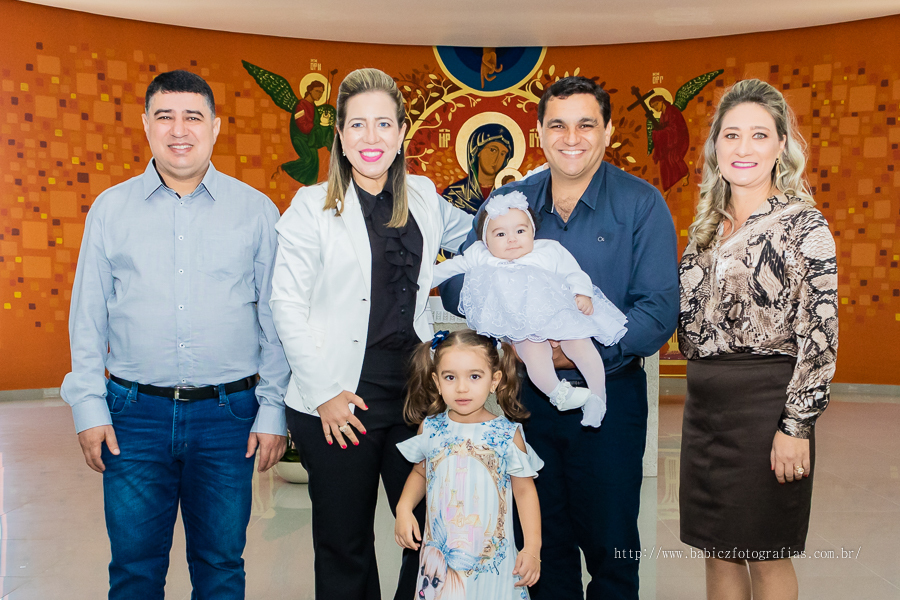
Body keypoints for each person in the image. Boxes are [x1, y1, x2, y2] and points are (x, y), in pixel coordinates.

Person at [441, 76, 679, 599]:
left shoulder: (641, 204)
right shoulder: (512, 202)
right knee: (540, 546)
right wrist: (506, 309)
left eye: (585, 124)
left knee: (613, 545)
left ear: (608, 132)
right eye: (558, 125)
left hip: (608, 397)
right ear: (541, 134)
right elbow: (459, 282)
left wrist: (581, 346)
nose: (572, 137)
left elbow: (659, 310)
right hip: (523, 399)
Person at [60, 70, 291, 599]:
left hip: (229, 418)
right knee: (135, 572)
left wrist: (274, 408)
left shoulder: (255, 212)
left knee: (221, 568)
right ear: (145, 125)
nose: (178, 129)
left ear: (215, 127)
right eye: (165, 116)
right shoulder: (110, 210)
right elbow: (88, 317)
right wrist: (89, 407)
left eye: (193, 117)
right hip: (132, 418)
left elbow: (275, 322)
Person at [269, 68, 473, 600]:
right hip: (340, 399)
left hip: (414, 396)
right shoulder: (310, 208)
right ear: (339, 134)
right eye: (358, 125)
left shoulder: (425, 196)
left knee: (432, 535)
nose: (371, 137)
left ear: (403, 132)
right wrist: (324, 396)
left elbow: (481, 231)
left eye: (384, 124)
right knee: (345, 544)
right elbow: (284, 305)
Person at [677, 79, 838, 600]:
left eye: (758, 135)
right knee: (717, 548)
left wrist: (796, 426)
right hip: (704, 409)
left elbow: (821, 333)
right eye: (730, 135)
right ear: (715, 147)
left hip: (767, 405)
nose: (743, 148)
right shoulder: (705, 228)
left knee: (767, 553)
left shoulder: (803, 225)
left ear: (781, 147)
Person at [432, 190, 628, 427]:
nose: (512, 239)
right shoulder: (481, 255)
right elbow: (451, 267)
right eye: (501, 234)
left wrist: (582, 293)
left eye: (520, 231)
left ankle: (598, 396)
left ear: (532, 232)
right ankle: (558, 393)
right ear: (486, 240)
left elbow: (574, 272)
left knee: (580, 344)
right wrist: (421, 280)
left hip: (558, 313)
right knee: (533, 355)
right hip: (521, 324)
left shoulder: (548, 250)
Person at [394, 330, 543, 599]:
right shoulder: (430, 428)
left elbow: (525, 492)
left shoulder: (507, 434)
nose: (462, 388)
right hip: (441, 561)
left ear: (494, 380)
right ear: (436, 382)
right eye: (450, 377)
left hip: (493, 563)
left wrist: (532, 547)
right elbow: (420, 472)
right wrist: (404, 507)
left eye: (474, 376)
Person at [442, 123, 514, 214]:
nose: (497, 159)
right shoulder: (454, 196)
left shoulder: (509, 193)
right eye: (493, 150)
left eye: (503, 154)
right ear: (477, 151)